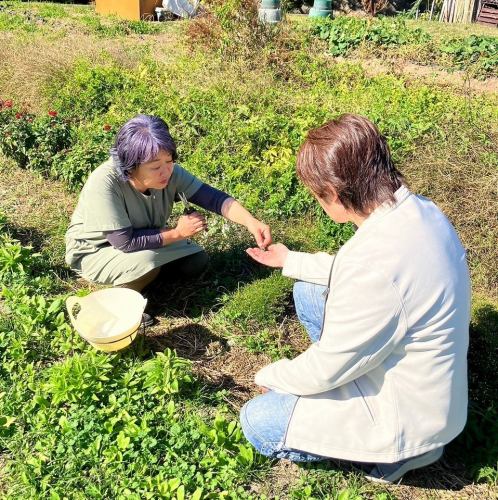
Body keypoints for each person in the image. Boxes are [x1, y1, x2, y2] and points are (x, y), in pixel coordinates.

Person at [241, 114, 470, 483]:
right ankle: (350, 396)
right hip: (431, 391)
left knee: (258, 420)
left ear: (332, 193)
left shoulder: (373, 263)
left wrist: (272, 374)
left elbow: (327, 365)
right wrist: (290, 260)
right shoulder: (419, 210)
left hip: (410, 421)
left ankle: (403, 456)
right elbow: (379, 279)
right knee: (309, 289)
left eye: (317, 195)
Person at [65, 114, 271, 300]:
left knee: (196, 261)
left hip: (141, 238)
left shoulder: (171, 173)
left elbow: (214, 199)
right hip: (96, 250)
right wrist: (178, 233)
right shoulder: (104, 182)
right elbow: (124, 242)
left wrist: (250, 222)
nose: (166, 171)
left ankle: (145, 276)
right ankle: (119, 301)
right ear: (130, 165)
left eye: (170, 161)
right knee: (146, 260)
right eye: (155, 166)